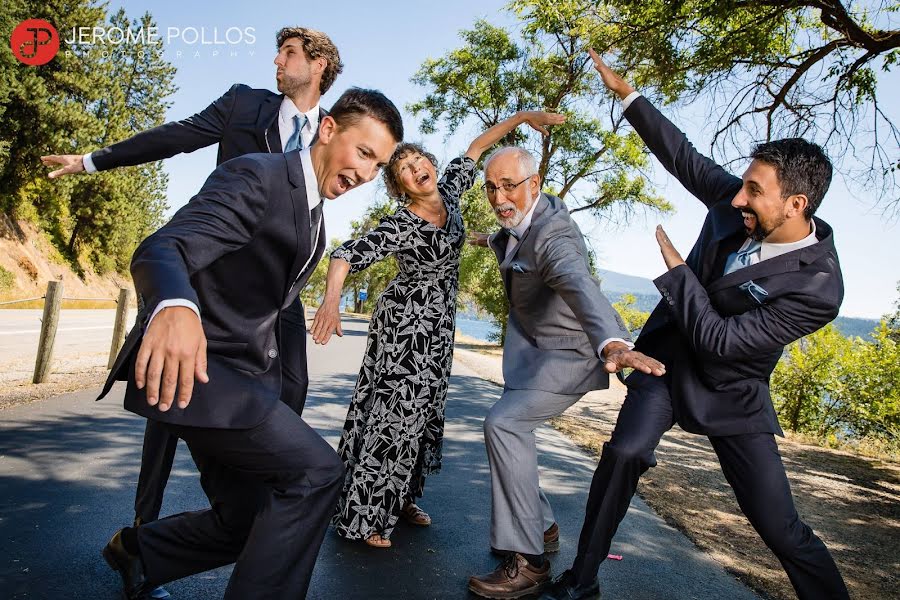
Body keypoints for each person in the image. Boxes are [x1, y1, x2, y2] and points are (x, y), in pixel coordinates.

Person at [538, 50, 850, 600]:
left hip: (732, 390)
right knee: (625, 453)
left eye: (754, 191)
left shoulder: (819, 287)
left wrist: (681, 273)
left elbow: (723, 341)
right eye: (743, 184)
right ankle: (580, 581)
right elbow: (682, 155)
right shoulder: (737, 204)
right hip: (665, 363)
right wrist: (627, 94)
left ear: (796, 203)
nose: (737, 197)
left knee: (778, 525)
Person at [41, 29, 342, 575]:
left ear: (318, 63)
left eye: (290, 53)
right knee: (169, 400)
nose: (277, 60)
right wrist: (91, 161)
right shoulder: (243, 104)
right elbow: (177, 136)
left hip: (277, 300)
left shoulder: (334, 131)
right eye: (277, 52)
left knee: (287, 396)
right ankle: (140, 538)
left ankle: (250, 519)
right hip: (206, 284)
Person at [95, 87, 403, 600]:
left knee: (249, 523)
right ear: (328, 130)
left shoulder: (314, 213)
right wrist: (175, 306)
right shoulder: (258, 176)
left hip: (247, 386)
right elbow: (163, 246)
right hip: (204, 376)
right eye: (364, 153)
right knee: (319, 473)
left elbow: (270, 312)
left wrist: (286, 392)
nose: (368, 174)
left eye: (379, 166)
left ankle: (138, 550)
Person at [310, 111, 566, 549]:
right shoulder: (402, 223)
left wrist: (523, 118)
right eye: (404, 169)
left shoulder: (451, 191)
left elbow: (476, 147)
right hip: (403, 331)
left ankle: (401, 499)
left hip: (439, 328)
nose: (415, 169)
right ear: (400, 184)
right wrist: (331, 301)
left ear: (430, 163)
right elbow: (345, 254)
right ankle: (366, 516)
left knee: (423, 416)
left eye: (418, 161)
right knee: (395, 418)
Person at [465, 146, 666, 599]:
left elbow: (577, 282)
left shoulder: (556, 236)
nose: (499, 197)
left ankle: (531, 562)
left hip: (570, 355)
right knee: (510, 428)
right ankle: (544, 526)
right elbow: (512, 237)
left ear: (534, 184)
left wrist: (614, 341)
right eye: (491, 187)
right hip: (535, 353)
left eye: (509, 185)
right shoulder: (520, 220)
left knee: (505, 422)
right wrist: (487, 239)